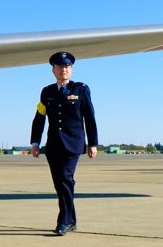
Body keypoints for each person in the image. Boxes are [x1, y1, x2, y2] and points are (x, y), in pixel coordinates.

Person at [30, 51, 98, 236]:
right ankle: (72, 220)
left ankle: (64, 221)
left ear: (71, 69)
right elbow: (39, 117)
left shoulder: (81, 89)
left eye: (67, 67)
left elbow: (90, 117)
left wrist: (93, 143)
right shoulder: (47, 92)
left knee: (65, 179)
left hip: (73, 144)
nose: (64, 70)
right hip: (53, 145)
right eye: (60, 67)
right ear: (53, 70)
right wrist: (35, 142)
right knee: (60, 184)